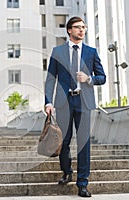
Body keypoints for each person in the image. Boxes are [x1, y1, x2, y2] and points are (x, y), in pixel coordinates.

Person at [44, 16, 106, 197]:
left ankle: (83, 184)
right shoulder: (58, 51)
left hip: (83, 101)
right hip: (63, 102)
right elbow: (50, 79)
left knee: (84, 143)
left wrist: (89, 79)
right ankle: (67, 170)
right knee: (64, 140)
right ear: (69, 30)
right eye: (78, 27)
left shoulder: (91, 52)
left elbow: (102, 77)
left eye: (84, 27)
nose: (82, 30)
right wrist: (48, 102)